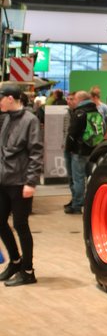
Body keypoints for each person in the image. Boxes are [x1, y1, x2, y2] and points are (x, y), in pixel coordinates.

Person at [0, 83, 44, 286]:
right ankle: (15, 262)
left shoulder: (30, 120)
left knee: (20, 225)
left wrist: (31, 182)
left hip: (20, 182)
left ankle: (28, 270)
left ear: (10, 98)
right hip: (3, 181)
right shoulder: (7, 118)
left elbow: (36, 153)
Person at [64, 90, 104, 214]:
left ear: (80, 100)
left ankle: (77, 205)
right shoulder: (97, 112)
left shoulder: (80, 113)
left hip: (78, 151)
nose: (74, 101)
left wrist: (68, 149)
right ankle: (89, 203)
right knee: (89, 177)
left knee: (78, 179)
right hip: (92, 150)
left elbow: (72, 134)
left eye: (75, 99)